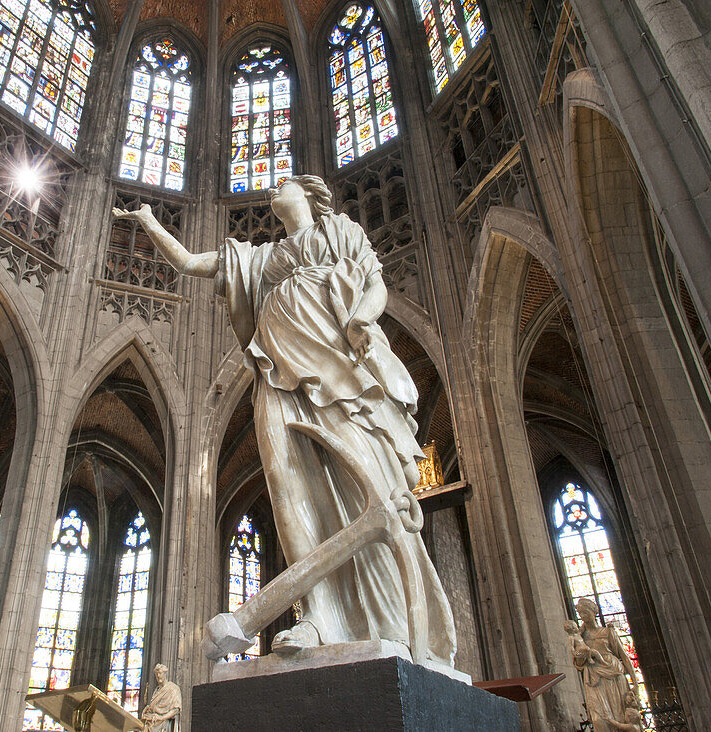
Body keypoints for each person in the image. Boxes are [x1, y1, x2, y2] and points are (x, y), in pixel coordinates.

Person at [113, 175, 455, 665]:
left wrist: (361, 320)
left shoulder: (339, 232)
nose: (273, 190)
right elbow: (191, 263)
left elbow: (374, 283)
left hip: (337, 373)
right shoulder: (264, 260)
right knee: (288, 488)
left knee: (363, 488)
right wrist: (148, 222)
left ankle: (388, 619)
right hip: (275, 375)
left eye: (283, 184)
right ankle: (316, 615)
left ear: (311, 194)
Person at [569, 598, 640, 732]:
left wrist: (635, 683)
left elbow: (624, 657)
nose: (583, 616)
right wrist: (582, 654)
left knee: (620, 716)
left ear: (594, 612)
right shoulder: (580, 637)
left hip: (614, 677)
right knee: (598, 719)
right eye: (581, 613)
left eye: (586, 612)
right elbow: (578, 664)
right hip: (594, 678)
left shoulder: (608, 632)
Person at [139, 663, 181, 732]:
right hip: (152, 723)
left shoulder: (173, 688)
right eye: (156, 674)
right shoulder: (157, 690)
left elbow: (175, 710)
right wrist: (147, 711)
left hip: (164, 725)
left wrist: (161, 717)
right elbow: (154, 708)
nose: (158, 676)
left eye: (160, 673)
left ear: (165, 674)